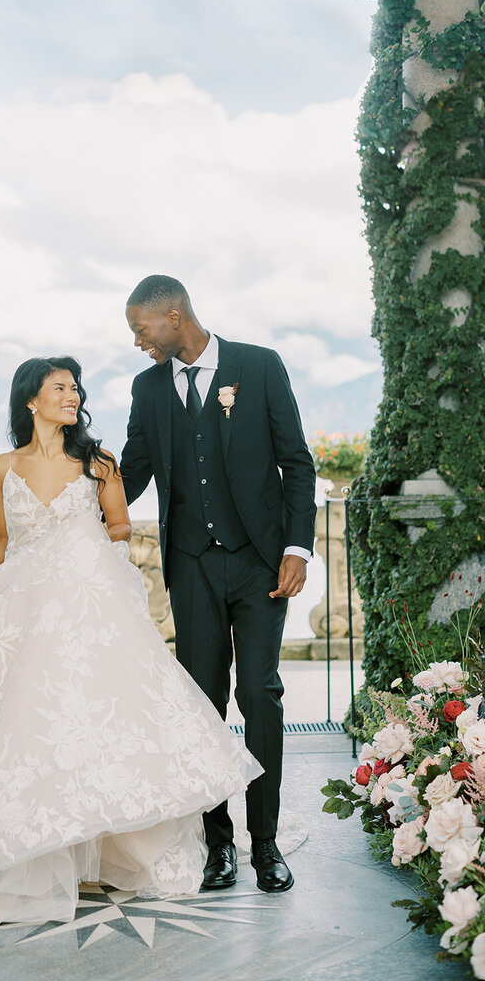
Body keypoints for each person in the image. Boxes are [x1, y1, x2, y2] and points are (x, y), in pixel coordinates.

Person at [0, 355, 261, 925]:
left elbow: (121, 526)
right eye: (60, 388)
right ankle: (35, 851)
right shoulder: (4, 466)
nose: (71, 397)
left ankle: (108, 847)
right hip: (24, 609)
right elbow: (3, 542)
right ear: (32, 400)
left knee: (101, 721)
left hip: (88, 602)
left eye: (75, 389)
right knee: (30, 726)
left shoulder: (98, 462)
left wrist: (83, 543)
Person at [120, 276, 316, 895]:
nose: (137, 342)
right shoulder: (148, 388)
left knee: (260, 694)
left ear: (173, 316)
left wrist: (296, 547)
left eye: (141, 329)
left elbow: (297, 463)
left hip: (260, 564)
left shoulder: (258, 367)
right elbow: (131, 473)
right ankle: (218, 845)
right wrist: (66, 504)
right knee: (202, 702)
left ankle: (266, 845)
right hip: (191, 565)